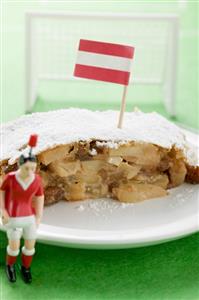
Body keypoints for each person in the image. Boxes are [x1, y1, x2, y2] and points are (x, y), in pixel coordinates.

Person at [0, 134, 44, 284]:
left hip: (29, 217)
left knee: (30, 246)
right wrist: (3, 211)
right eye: (27, 168)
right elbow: (1, 192)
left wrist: (38, 216)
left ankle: (26, 268)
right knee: (14, 246)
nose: (30, 171)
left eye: (33, 168)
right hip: (12, 217)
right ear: (20, 165)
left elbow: (39, 197)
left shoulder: (36, 179)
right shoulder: (10, 178)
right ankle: (10, 265)